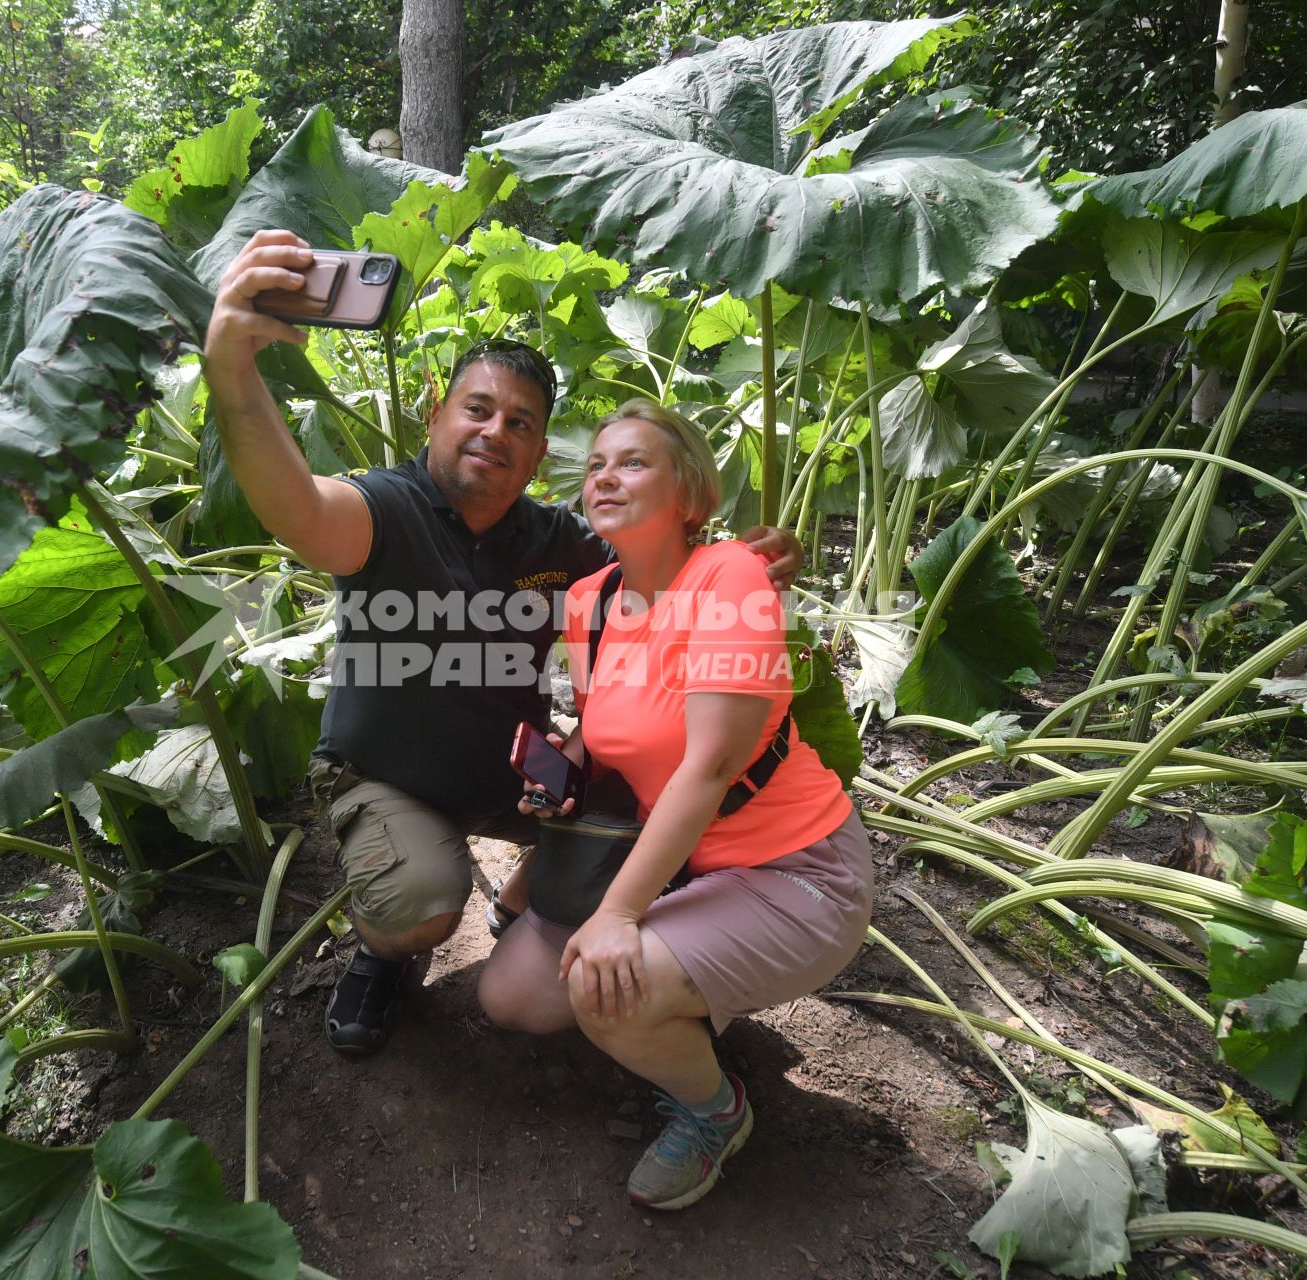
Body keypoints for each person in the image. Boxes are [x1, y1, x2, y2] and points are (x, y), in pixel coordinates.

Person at [201, 231, 804, 1057]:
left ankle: (562, 917)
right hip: (393, 781)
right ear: (434, 414)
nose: (495, 431)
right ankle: (382, 958)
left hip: (521, 782)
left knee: (654, 798)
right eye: (477, 409)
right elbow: (297, 506)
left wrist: (746, 559)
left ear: (537, 452)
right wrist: (232, 370)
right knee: (418, 902)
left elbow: (664, 565)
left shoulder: (559, 541)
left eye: (520, 423)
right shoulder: (385, 508)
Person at [477, 399, 873, 1212]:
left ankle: (714, 1111)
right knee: (510, 998)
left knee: (599, 983)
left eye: (633, 462)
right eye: (595, 466)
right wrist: (561, 774)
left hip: (799, 868)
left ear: (690, 494)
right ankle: (685, 994)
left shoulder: (729, 577)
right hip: (689, 865)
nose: (605, 476)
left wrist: (618, 915)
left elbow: (709, 764)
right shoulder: (588, 600)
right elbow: (599, 726)